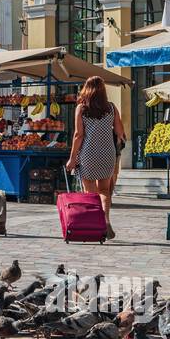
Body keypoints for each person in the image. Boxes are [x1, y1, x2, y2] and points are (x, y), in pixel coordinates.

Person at [66, 76, 126, 240]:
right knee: (105, 191)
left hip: (88, 154)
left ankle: (94, 224)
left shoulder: (82, 109)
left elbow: (78, 135)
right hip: (108, 153)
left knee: (90, 193)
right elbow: (120, 132)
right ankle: (106, 221)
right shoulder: (111, 108)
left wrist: (72, 159)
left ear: (86, 89)